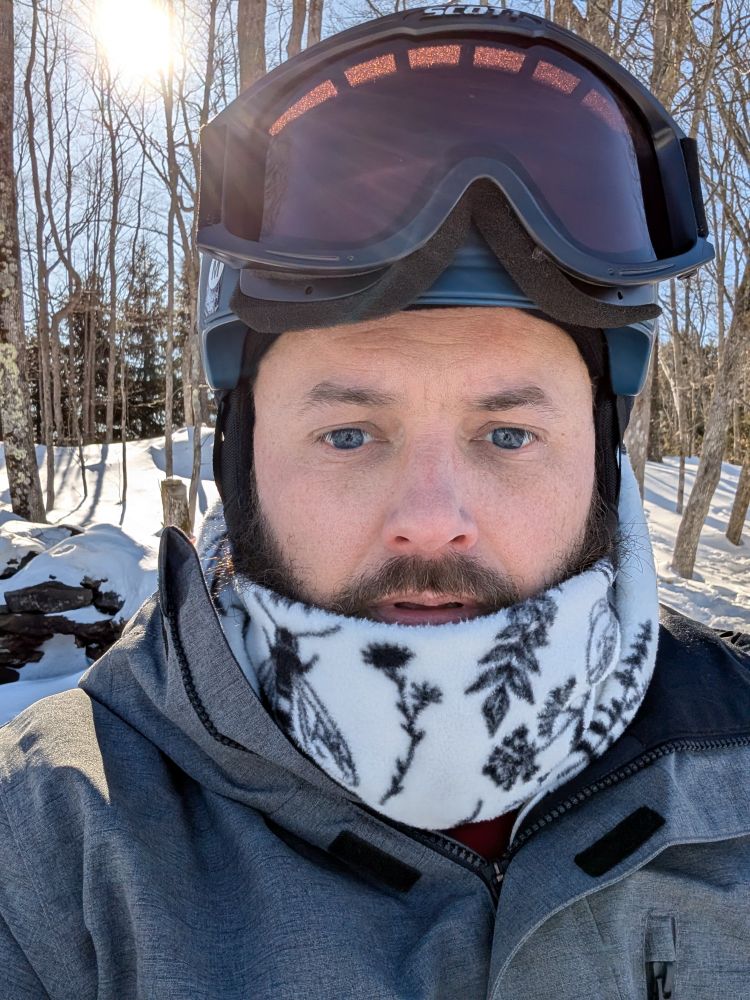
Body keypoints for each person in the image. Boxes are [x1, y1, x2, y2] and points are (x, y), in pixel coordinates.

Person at [1, 6, 749, 998]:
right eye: (349, 434)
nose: (433, 517)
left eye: (509, 434)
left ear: (604, 457)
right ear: (242, 453)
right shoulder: (54, 843)